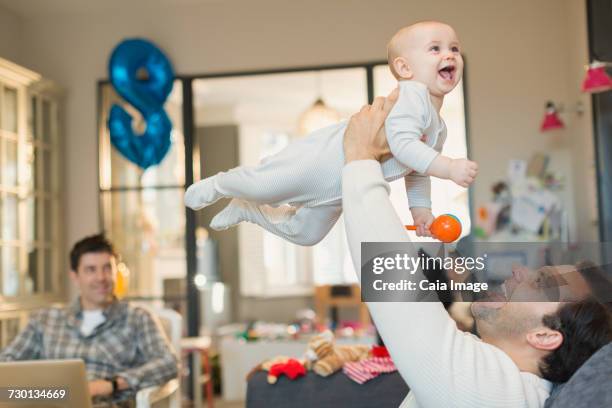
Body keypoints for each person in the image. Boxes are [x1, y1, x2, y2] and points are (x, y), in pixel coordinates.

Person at [341, 93, 612, 407]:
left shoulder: (491, 391)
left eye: (541, 282)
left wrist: (360, 157)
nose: (517, 271)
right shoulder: (504, 380)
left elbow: (394, 288)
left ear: (545, 336)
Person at [184, 20, 478, 246]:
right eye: (435, 48)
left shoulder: (438, 128)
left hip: (340, 188)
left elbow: (417, 170)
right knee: (263, 184)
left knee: (306, 234)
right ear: (404, 68)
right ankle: (220, 185)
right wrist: (449, 167)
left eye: (454, 48)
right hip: (320, 162)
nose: (449, 54)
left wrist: (421, 211)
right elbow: (402, 145)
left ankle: (248, 211)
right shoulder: (411, 97)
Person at [0, 234, 178, 407]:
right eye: (90, 269)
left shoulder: (138, 318)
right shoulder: (45, 320)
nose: (101, 278)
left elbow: (168, 362)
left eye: (107, 268)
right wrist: (42, 394)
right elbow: (6, 363)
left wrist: (113, 384)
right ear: (75, 276)